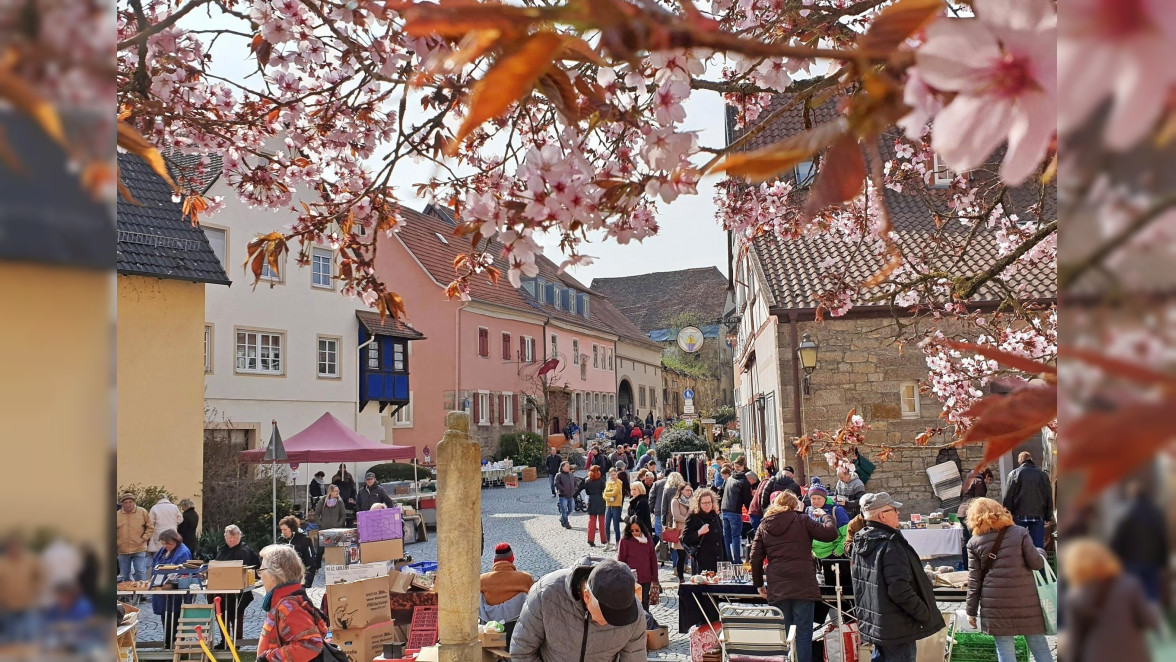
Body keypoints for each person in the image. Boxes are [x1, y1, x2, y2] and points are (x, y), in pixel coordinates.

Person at [851, 492, 944, 662]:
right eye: (894, 509)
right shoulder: (889, 544)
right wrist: (924, 612)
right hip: (897, 628)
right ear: (882, 515)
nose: (898, 512)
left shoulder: (861, 540)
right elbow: (899, 589)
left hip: (881, 624)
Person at [750, 491, 838, 662]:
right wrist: (826, 516)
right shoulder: (802, 520)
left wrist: (758, 583)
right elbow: (830, 534)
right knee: (803, 633)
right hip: (802, 583)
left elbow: (755, 557)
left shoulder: (764, 525)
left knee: (784, 633)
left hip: (778, 584)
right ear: (793, 506)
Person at [963, 498, 1053, 662]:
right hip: (1025, 602)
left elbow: (974, 580)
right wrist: (1040, 552)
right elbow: (1036, 563)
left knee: (1004, 651)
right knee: (1039, 645)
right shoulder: (1019, 532)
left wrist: (971, 611)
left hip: (995, 606)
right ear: (999, 511)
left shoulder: (973, 543)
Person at [510, 559, 646, 661]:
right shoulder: (546, 593)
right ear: (587, 596)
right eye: (607, 615)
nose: (612, 622)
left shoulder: (633, 613)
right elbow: (521, 652)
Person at [1062, 537, 1159, 662]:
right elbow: (1149, 621)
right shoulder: (1130, 585)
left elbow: (1075, 641)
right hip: (1133, 655)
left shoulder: (1075, 597)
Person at [255, 544, 331, 661]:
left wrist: (269, 658)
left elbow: (311, 644)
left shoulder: (288, 606)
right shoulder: (286, 599)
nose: (260, 576)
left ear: (275, 573)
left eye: (262, 570)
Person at [1110, 480, 1169, 603]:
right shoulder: (1155, 511)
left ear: (1131, 494)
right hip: (1152, 561)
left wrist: (1113, 556)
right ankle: (1153, 619)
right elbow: (1162, 537)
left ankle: (1138, 619)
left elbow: (1118, 537)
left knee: (1133, 595)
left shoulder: (1126, 512)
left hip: (1131, 561)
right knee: (1152, 594)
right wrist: (1163, 561)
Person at [214, 524, 261, 649]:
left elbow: (255, 568)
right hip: (222, 589)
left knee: (235, 616)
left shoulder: (244, 551)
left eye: (235, 537)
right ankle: (225, 640)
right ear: (225, 537)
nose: (232, 540)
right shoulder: (223, 550)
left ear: (239, 537)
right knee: (221, 615)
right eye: (230, 537)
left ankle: (236, 643)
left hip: (239, 590)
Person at [480, 543, 535, 646]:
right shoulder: (525, 578)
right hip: (516, 627)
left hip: (490, 628)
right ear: (512, 559)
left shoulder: (482, 579)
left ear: (495, 561)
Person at [150, 529, 193, 648]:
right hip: (162, 590)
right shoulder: (163, 551)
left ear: (176, 540)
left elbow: (180, 572)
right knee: (165, 615)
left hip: (175, 592)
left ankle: (175, 644)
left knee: (174, 616)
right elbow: (155, 566)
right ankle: (167, 642)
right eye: (163, 543)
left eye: (168, 543)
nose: (166, 546)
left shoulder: (182, 552)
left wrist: (168, 582)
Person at [1002, 451, 1053, 549]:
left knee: (1017, 545)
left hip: (1019, 515)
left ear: (1020, 460)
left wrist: (1006, 514)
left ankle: (1019, 564)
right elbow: (1048, 496)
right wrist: (1048, 516)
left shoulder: (1014, 474)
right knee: (1038, 547)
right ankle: (1038, 564)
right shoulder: (1042, 475)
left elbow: (1008, 496)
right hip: (1038, 515)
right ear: (1031, 459)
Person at [0, 535, 45, 645]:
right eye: (11, 547)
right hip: (7, 606)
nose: (14, 550)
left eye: (16, 547)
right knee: (10, 638)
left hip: (28, 605)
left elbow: (41, 576)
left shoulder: (31, 560)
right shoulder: (2, 563)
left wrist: (36, 590)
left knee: (30, 637)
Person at [617, 517, 659, 610]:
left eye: (637, 530)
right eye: (632, 530)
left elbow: (653, 558)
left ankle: (646, 622)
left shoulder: (647, 538)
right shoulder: (625, 540)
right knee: (632, 603)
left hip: (646, 577)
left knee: (644, 601)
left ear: (641, 529)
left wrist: (655, 577)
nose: (635, 532)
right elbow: (621, 561)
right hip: (631, 578)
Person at [681, 488, 725, 574]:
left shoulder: (715, 515)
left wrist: (726, 561)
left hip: (718, 561)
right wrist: (699, 532)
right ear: (698, 504)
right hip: (703, 562)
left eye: (709, 502)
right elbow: (685, 538)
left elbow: (721, 540)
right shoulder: (693, 517)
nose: (707, 505)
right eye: (704, 503)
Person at [720, 458, 754, 564]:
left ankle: (729, 559)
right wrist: (752, 512)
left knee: (727, 536)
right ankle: (737, 561)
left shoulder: (730, 478)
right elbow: (747, 499)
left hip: (724, 509)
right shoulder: (743, 481)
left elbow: (722, 492)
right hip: (734, 511)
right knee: (735, 536)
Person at [116, 493, 153, 582]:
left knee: (140, 572)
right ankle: (127, 595)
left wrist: (144, 538)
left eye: (130, 502)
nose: (128, 504)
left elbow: (150, 527)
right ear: (122, 504)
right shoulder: (117, 515)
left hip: (139, 548)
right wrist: (117, 542)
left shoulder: (142, 512)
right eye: (126, 503)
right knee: (124, 574)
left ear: (134, 502)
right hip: (123, 549)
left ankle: (142, 594)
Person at [278, 515, 316, 588]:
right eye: (281, 529)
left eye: (285, 529)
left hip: (299, 579)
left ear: (291, 529)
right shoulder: (281, 540)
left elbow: (311, 562)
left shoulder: (304, 540)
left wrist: (307, 582)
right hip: (284, 580)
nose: (283, 532)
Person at [669, 484, 693, 581]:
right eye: (687, 490)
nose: (689, 492)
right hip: (680, 531)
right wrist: (689, 519)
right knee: (682, 556)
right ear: (681, 490)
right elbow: (677, 516)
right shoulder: (676, 501)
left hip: (690, 531)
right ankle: (681, 579)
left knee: (690, 555)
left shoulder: (692, 501)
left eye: (690, 490)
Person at [579, 465, 607, 546]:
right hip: (600, 500)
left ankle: (590, 540)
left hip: (592, 500)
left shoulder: (587, 481)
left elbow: (587, 492)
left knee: (592, 521)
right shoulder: (602, 480)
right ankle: (603, 539)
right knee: (602, 522)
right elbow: (604, 490)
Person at [604, 469, 625, 551]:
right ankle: (608, 542)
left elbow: (614, 492)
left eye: (614, 474)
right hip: (608, 505)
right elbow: (604, 494)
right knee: (607, 524)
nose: (613, 476)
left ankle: (617, 543)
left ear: (616, 475)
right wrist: (608, 497)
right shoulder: (608, 482)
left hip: (616, 506)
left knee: (616, 525)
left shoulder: (619, 482)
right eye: (611, 474)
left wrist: (608, 494)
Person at [553, 461, 577, 530]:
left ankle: (562, 518)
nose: (568, 467)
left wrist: (574, 489)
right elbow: (556, 483)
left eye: (568, 466)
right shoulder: (559, 475)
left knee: (571, 509)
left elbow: (575, 482)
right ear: (562, 467)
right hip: (563, 496)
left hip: (571, 495)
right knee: (564, 511)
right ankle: (566, 523)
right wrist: (562, 489)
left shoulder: (571, 474)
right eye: (566, 466)